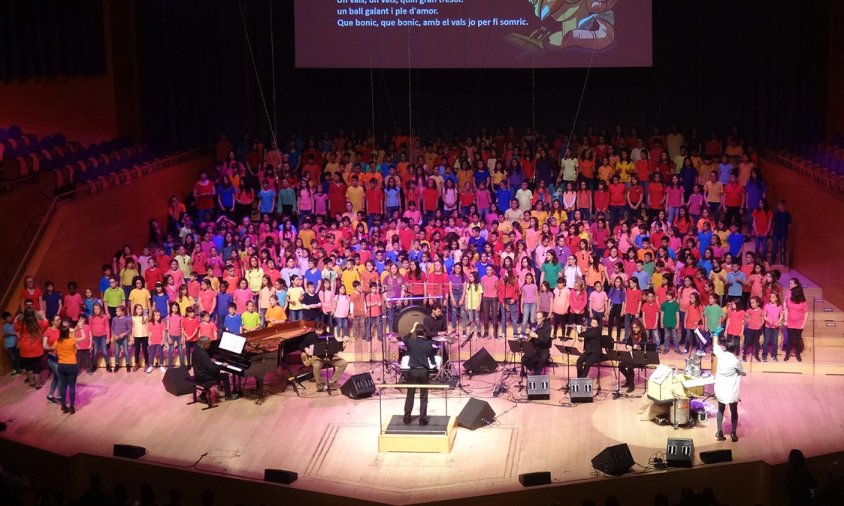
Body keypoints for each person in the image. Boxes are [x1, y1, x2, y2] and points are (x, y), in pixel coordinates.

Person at [712, 327, 745, 442]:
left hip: (720, 388)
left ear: (726, 347)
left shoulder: (721, 355)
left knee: (720, 409)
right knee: (734, 411)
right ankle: (734, 433)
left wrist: (715, 334)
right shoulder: (736, 361)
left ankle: (719, 431)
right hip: (731, 391)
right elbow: (743, 372)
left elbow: (715, 346)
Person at [402, 320, 436, 425]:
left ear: (416, 333)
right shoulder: (429, 344)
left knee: (410, 394)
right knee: (424, 396)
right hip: (423, 371)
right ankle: (422, 420)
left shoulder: (411, 343)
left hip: (412, 371)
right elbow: (432, 358)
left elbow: (405, 338)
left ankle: (407, 418)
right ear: (425, 333)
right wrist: (434, 363)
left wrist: (413, 328)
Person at [298, 323, 348, 392]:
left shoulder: (329, 336)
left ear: (324, 329)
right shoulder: (310, 336)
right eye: (316, 330)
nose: (318, 332)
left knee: (343, 363)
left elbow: (336, 347)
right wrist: (306, 348)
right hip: (317, 358)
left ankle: (332, 382)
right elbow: (301, 346)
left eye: (320, 330)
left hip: (329, 356)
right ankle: (319, 385)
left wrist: (342, 347)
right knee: (316, 366)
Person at [48, 325, 86, 413]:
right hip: (72, 365)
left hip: (61, 365)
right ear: (68, 333)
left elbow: (52, 349)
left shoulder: (57, 341)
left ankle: (63, 406)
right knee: (72, 387)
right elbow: (83, 337)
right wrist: (80, 328)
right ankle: (72, 407)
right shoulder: (72, 340)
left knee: (63, 387)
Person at [192, 336, 239, 400]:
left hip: (198, 374)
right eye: (209, 343)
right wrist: (222, 365)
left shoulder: (196, 351)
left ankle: (202, 395)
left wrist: (209, 360)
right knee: (225, 375)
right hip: (204, 377)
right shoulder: (203, 353)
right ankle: (228, 396)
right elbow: (212, 368)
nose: (210, 345)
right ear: (204, 344)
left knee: (216, 372)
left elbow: (201, 362)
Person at [15, 307, 48, 389]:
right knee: (37, 365)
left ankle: (31, 382)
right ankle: (37, 384)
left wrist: (16, 317)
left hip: (25, 347)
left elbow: (15, 325)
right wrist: (41, 315)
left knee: (28, 365)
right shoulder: (38, 323)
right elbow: (46, 322)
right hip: (35, 347)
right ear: (34, 314)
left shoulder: (21, 324)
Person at [521, 311, 551, 375]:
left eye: (540, 319)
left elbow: (546, 341)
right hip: (534, 348)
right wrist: (527, 334)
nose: (538, 320)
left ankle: (537, 374)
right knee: (523, 359)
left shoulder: (547, 327)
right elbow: (527, 339)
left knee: (542, 359)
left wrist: (536, 336)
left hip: (543, 349)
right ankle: (534, 369)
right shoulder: (533, 325)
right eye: (537, 319)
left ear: (543, 318)